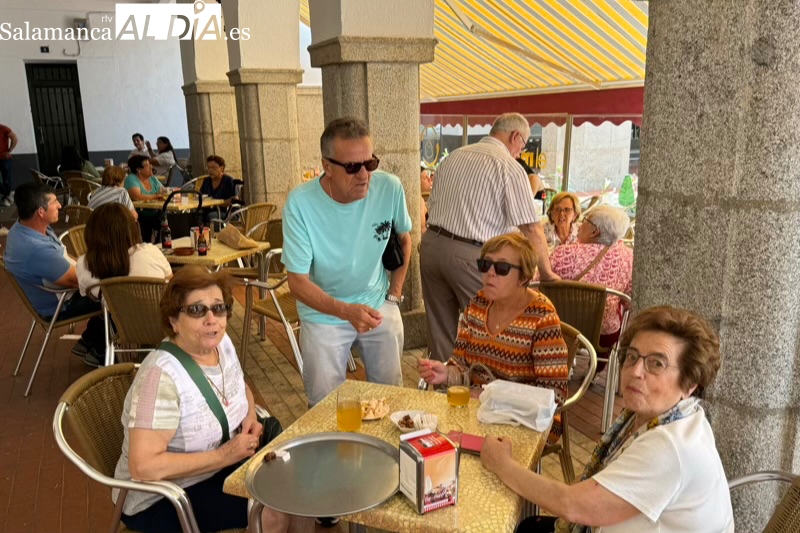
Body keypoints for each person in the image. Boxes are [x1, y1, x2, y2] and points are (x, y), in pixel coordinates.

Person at [481, 306, 734, 533]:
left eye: (657, 364)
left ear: (689, 384)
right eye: (632, 357)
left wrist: (501, 463)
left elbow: (572, 505)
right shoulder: (669, 416)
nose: (635, 371)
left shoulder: (670, 445)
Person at [113, 267, 308, 533]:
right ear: (173, 320)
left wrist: (249, 417)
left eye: (219, 308)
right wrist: (225, 455)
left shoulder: (221, 343)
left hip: (219, 469)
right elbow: (143, 466)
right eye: (196, 310)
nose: (211, 319)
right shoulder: (160, 378)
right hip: (163, 496)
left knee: (300, 490)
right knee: (270, 508)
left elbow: (241, 387)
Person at [283, 117, 412, 406]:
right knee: (325, 406)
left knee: (391, 397)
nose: (364, 175)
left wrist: (395, 294)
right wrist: (344, 311)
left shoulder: (390, 187)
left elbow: (405, 238)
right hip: (323, 313)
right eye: (353, 167)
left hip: (378, 303)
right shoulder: (301, 203)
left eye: (370, 163)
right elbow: (297, 282)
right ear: (327, 166)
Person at [422, 112, 560, 362]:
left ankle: (441, 392)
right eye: (523, 144)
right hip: (470, 255)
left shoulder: (454, 157)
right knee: (489, 325)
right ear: (515, 136)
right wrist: (547, 272)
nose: (521, 150)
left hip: (432, 246)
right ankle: (480, 390)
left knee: (440, 330)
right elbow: (531, 228)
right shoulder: (508, 166)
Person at [418, 233, 569, 439]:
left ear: (524, 277)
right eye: (485, 264)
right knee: (427, 433)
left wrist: (492, 396)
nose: (490, 273)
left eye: (502, 268)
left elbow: (554, 396)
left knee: (449, 440)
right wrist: (446, 373)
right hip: (479, 410)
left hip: (527, 420)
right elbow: (462, 366)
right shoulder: (478, 303)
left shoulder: (542, 317)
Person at [3, 182, 105, 365]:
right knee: (115, 296)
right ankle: (101, 352)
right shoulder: (36, 250)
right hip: (60, 305)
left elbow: (64, 255)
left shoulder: (23, 229)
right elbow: (81, 282)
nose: (60, 205)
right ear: (40, 212)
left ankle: (89, 339)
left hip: (55, 293)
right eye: (54, 202)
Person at [547, 205, 633, 355]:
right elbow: (628, 301)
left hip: (560, 328)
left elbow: (538, 287)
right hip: (603, 335)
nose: (579, 225)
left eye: (585, 220)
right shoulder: (629, 258)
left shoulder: (564, 253)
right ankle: (595, 371)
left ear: (595, 231)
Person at [76, 203, 172, 299]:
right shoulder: (149, 252)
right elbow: (171, 283)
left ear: (90, 233)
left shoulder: (84, 264)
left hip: (115, 313)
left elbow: (89, 295)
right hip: (160, 312)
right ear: (131, 229)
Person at [124, 155, 166, 242]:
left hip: (156, 213)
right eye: (147, 165)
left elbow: (164, 192)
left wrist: (161, 194)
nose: (151, 167)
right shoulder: (131, 179)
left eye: (150, 164)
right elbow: (137, 196)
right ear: (138, 169)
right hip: (140, 216)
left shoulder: (152, 178)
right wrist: (156, 196)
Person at [0, 123, 18, 207]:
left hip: (5, 158)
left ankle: (7, 196)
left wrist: (9, 150)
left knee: (6, 178)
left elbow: (14, 138)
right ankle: (7, 194)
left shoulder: (3, 128)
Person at [420, 165, 433, 234]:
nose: (429, 179)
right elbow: (423, 229)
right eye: (425, 178)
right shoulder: (419, 201)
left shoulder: (421, 199)